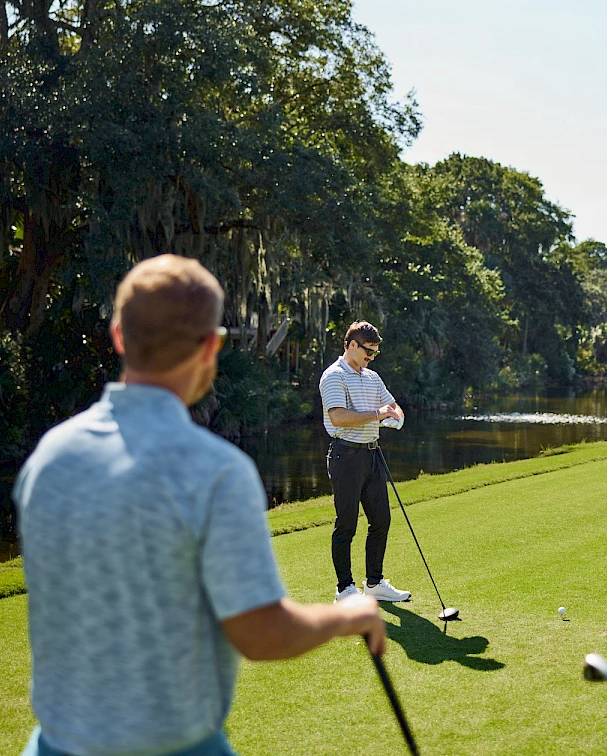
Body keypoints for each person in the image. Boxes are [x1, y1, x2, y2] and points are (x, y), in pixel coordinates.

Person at [14, 255, 386, 756]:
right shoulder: (217, 471)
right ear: (211, 347)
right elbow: (262, 635)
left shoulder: (48, 458)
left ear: (119, 336)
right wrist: (352, 615)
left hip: (53, 745)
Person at [320, 320, 409, 603]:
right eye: (367, 351)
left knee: (381, 519)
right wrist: (378, 414)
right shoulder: (334, 376)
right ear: (351, 345)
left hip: (371, 454)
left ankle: (374, 583)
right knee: (346, 523)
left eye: (374, 353)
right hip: (345, 455)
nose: (370, 357)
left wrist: (396, 417)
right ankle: (344, 589)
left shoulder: (372, 377)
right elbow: (339, 417)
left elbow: (392, 405)